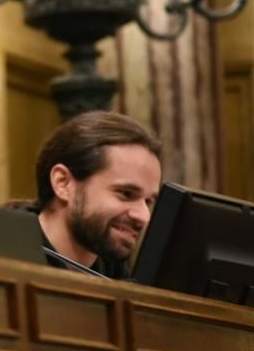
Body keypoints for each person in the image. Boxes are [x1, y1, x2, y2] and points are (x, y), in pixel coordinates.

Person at [33, 110, 162, 278]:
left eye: (148, 201)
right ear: (63, 183)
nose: (144, 217)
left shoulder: (117, 275)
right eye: (126, 193)